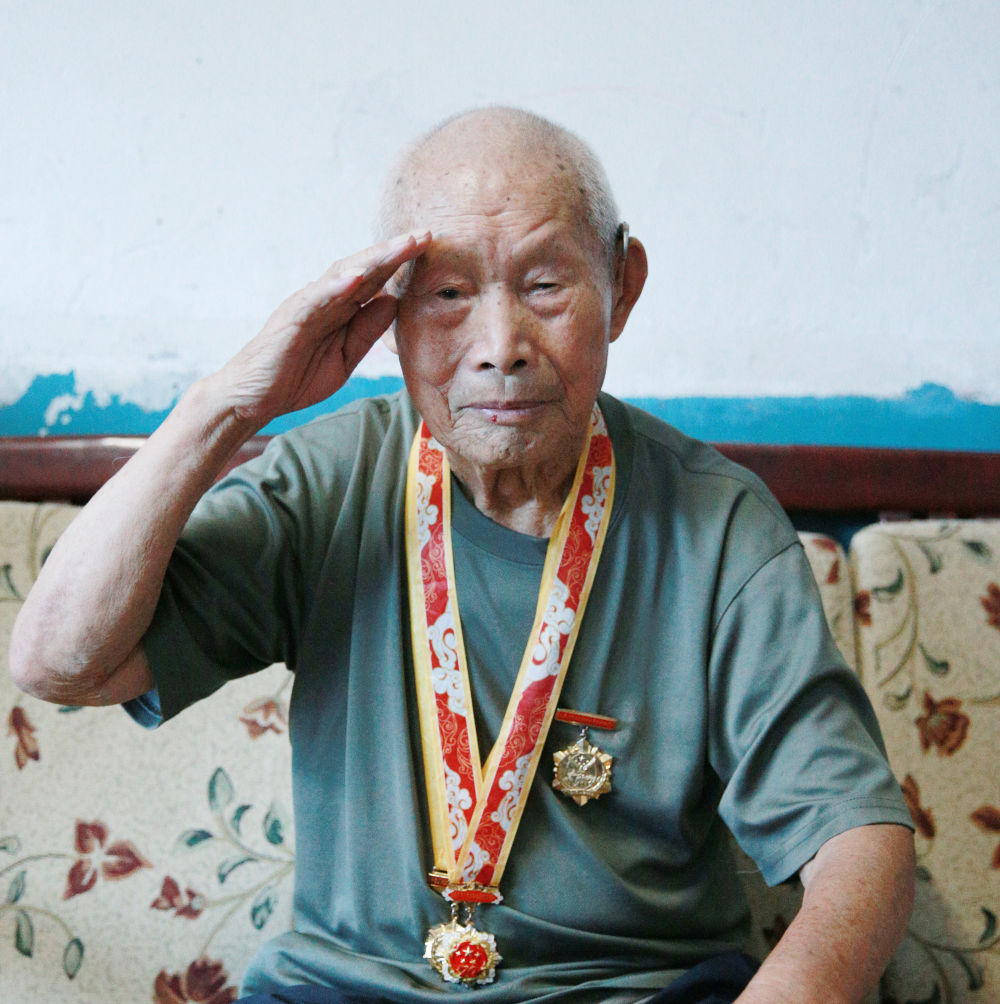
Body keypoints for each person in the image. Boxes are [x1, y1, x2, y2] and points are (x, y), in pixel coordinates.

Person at [9, 107, 915, 1004]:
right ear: (387, 311)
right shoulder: (329, 485)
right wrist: (229, 404)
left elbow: (858, 847)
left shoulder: (718, 525)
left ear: (623, 285)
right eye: (447, 295)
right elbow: (59, 661)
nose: (499, 349)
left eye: (545, 284)